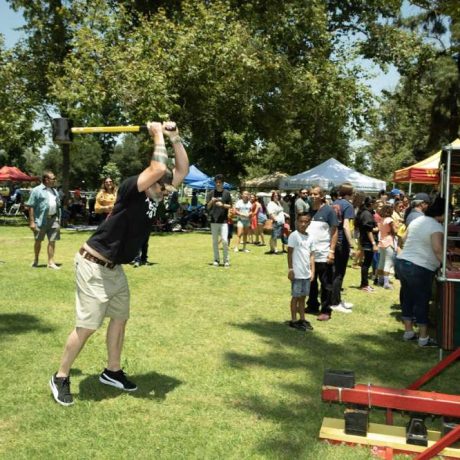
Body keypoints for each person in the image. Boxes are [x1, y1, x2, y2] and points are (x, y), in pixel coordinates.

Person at [49, 121, 189, 406]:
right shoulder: (131, 189)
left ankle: (112, 371)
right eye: (163, 187)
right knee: (87, 326)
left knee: (120, 318)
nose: (167, 191)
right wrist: (157, 134)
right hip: (93, 263)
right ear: (152, 181)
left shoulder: (158, 195)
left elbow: (182, 170)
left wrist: (175, 138)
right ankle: (61, 376)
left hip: (115, 268)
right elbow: (160, 169)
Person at [395, 197, 449, 348]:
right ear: (443, 212)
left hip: (402, 262)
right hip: (419, 267)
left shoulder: (417, 221)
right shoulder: (436, 227)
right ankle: (423, 338)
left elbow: (404, 239)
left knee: (408, 297)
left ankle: (408, 332)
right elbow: (438, 250)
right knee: (421, 300)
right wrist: (447, 265)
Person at [305, 186, 338, 320]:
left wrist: (331, 251)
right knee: (311, 281)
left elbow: (334, 231)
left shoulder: (329, 211)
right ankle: (312, 305)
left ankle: (326, 310)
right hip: (310, 254)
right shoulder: (309, 211)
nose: (313, 196)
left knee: (326, 284)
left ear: (322, 195)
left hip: (324, 253)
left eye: (316, 194)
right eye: (311, 194)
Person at [26, 170, 62, 269]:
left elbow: (58, 206)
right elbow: (31, 206)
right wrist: (32, 222)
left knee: (52, 241)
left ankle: (50, 262)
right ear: (46, 179)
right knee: (38, 240)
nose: (55, 180)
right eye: (53, 178)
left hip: (53, 219)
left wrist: (58, 220)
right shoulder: (36, 190)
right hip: (40, 220)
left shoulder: (54, 191)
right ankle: (36, 260)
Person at [287, 212, 315, 331]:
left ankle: (302, 318)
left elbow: (312, 255)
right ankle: (293, 320)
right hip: (297, 273)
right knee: (295, 296)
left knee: (303, 297)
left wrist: (312, 271)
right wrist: (291, 269)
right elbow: (290, 253)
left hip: (306, 273)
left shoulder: (310, 237)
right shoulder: (294, 235)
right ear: (297, 222)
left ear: (309, 223)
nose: (303, 224)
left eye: (306, 222)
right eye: (301, 221)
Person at [331, 183, 355, 310]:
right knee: (339, 273)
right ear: (348, 193)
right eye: (353, 193)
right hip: (341, 242)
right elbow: (346, 225)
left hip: (332, 241)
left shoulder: (333, 203)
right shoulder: (348, 205)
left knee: (334, 272)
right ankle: (335, 303)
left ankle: (335, 299)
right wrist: (351, 245)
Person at [206, 174, 232, 266]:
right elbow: (207, 207)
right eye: (216, 182)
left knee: (225, 240)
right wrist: (211, 201)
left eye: (219, 182)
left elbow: (230, 206)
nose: (218, 184)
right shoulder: (210, 193)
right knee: (214, 241)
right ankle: (216, 260)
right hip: (214, 220)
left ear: (223, 183)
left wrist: (222, 205)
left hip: (224, 221)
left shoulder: (227, 193)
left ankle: (226, 260)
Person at [355, 197, 379, 292]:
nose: (377, 204)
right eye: (376, 203)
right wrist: (373, 243)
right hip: (368, 241)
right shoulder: (366, 214)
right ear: (371, 203)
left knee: (367, 263)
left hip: (367, 240)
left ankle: (364, 284)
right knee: (366, 264)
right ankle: (364, 284)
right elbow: (368, 230)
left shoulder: (367, 213)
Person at [376, 204, 397, 289]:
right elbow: (394, 231)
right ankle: (386, 282)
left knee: (381, 261)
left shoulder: (381, 220)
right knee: (388, 262)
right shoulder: (389, 219)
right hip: (389, 241)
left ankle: (379, 280)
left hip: (382, 241)